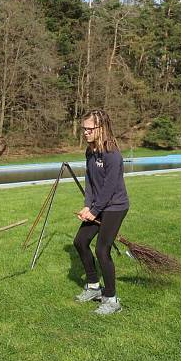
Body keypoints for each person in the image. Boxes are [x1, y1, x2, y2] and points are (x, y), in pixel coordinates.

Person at [74, 109, 129, 315]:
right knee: (80, 242)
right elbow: (90, 181)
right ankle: (94, 287)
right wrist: (88, 205)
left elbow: (109, 187)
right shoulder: (90, 151)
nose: (85, 132)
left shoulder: (112, 154)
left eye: (89, 129)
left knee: (102, 250)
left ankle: (112, 299)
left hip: (115, 206)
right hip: (98, 205)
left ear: (101, 128)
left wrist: (95, 210)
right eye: (84, 128)